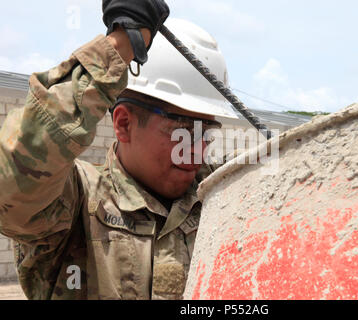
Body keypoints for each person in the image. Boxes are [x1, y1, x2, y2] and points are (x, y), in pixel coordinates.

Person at [0, 0, 237, 300]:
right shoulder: (76, 204)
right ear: (124, 123)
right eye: (184, 131)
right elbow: (13, 182)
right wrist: (119, 45)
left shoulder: (221, 200)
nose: (197, 150)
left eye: (206, 133)